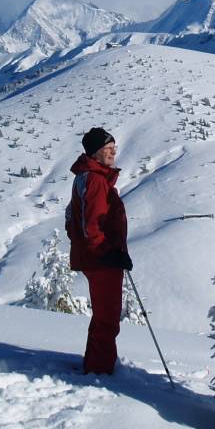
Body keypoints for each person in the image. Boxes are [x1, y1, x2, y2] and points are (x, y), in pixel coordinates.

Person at [65, 127, 132, 375]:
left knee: (104, 315)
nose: (113, 153)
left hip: (99, 257)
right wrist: (107, 252)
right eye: (107, 149)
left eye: (114, 148)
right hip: (102, 260)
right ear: (94, 153)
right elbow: (91, 224)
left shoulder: (90, 178)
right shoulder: (94, 180)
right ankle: (99, 369)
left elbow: (72, 218)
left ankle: (97, 363)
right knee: (107, 317)